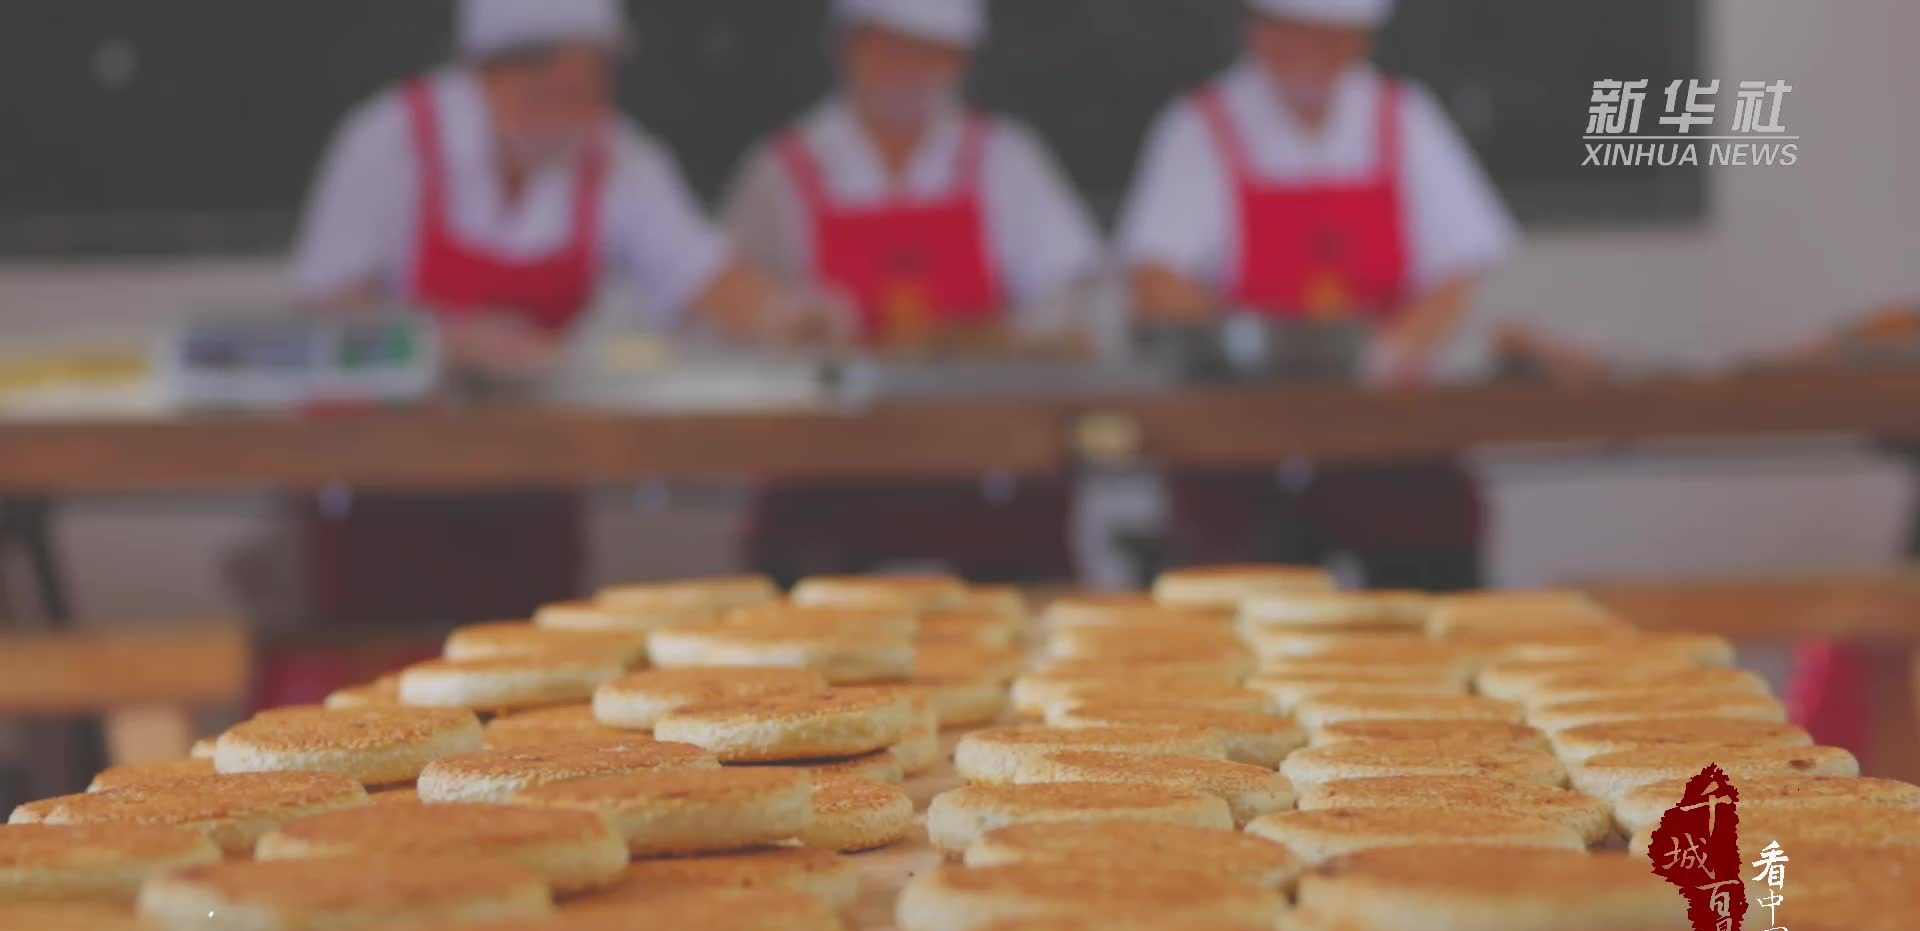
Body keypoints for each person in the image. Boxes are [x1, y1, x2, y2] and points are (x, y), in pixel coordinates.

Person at [285, 0, 827, 635]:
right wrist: (448, 341)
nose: (569, 112)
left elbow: (705, 277)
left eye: (586, 89)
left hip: (531, 490)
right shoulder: (392, 140)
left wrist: (788, 315)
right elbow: (324, 315)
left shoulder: (612, 155)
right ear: (487, 74)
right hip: (382, 492)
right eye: (547, 91)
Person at [1117, 0, 1517, 590]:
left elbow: (1457, 270)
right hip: (1244, 450)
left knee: (1431, 600)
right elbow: (1156, 282)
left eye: (1339, 42)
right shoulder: (1201, 126)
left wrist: (1390, 351)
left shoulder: (1402, 116)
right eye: (1301, 39)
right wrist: (1254, 349)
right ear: (1259, 34)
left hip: (1389, 443)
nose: (1321, 60)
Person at [721, 0, 1105, 584]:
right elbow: (721, 310)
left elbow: (1078, 297)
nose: (908, 68)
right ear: (850, 45)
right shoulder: (782, 170)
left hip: (986, 487)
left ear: (960, 61)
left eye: (930, 53)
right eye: (890, 46)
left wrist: (1017, 340)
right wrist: (785, 322)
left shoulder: (1004, 159)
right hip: (827, 488)